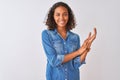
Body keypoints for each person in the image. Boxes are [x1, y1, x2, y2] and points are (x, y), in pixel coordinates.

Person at [41, 2, 97, 80]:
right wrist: (78, 52)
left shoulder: (75, 37)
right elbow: (54, 61)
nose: (62, 18)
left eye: (65, 14)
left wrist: (86, 49)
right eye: (58, 14)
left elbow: (76, 64)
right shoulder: (46, 34)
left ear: (69, 16)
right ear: (53, 16)